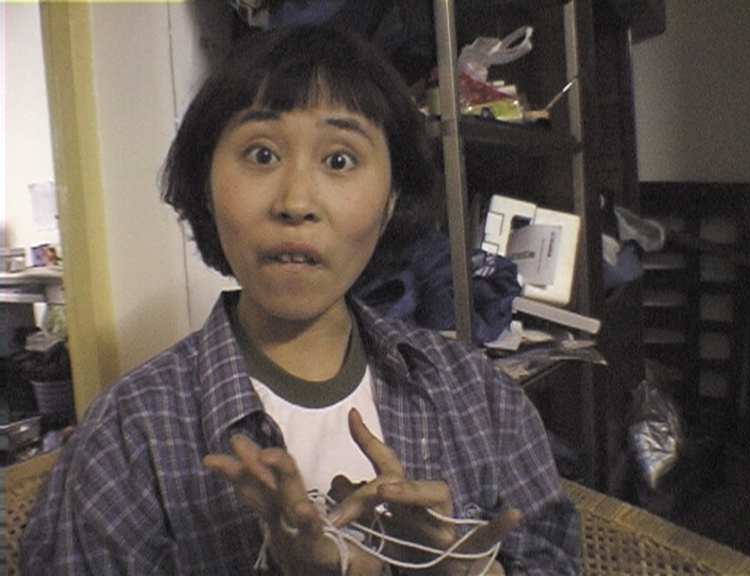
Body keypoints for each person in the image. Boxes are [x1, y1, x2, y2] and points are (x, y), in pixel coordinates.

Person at [21, 24, 580, 575]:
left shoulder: (478, 397)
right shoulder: (127, 436)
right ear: (207, 189)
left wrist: (464, 572)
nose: (295, 202)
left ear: (391, 198)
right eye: (261, 154)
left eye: (339, 161)